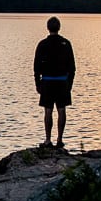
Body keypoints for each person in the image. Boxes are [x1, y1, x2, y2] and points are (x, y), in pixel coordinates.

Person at [33, 16, 76, 149]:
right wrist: (69, 84)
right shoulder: (66, 43)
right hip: (62, 82)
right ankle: (59, 140)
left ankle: (47, 140)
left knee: (48, 111)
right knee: (61, 110)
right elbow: (72, 67)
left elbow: (36, 67)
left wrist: (37, 83)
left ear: (48, 27)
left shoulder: (42, 44)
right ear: (59, 27)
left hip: (47, 82)